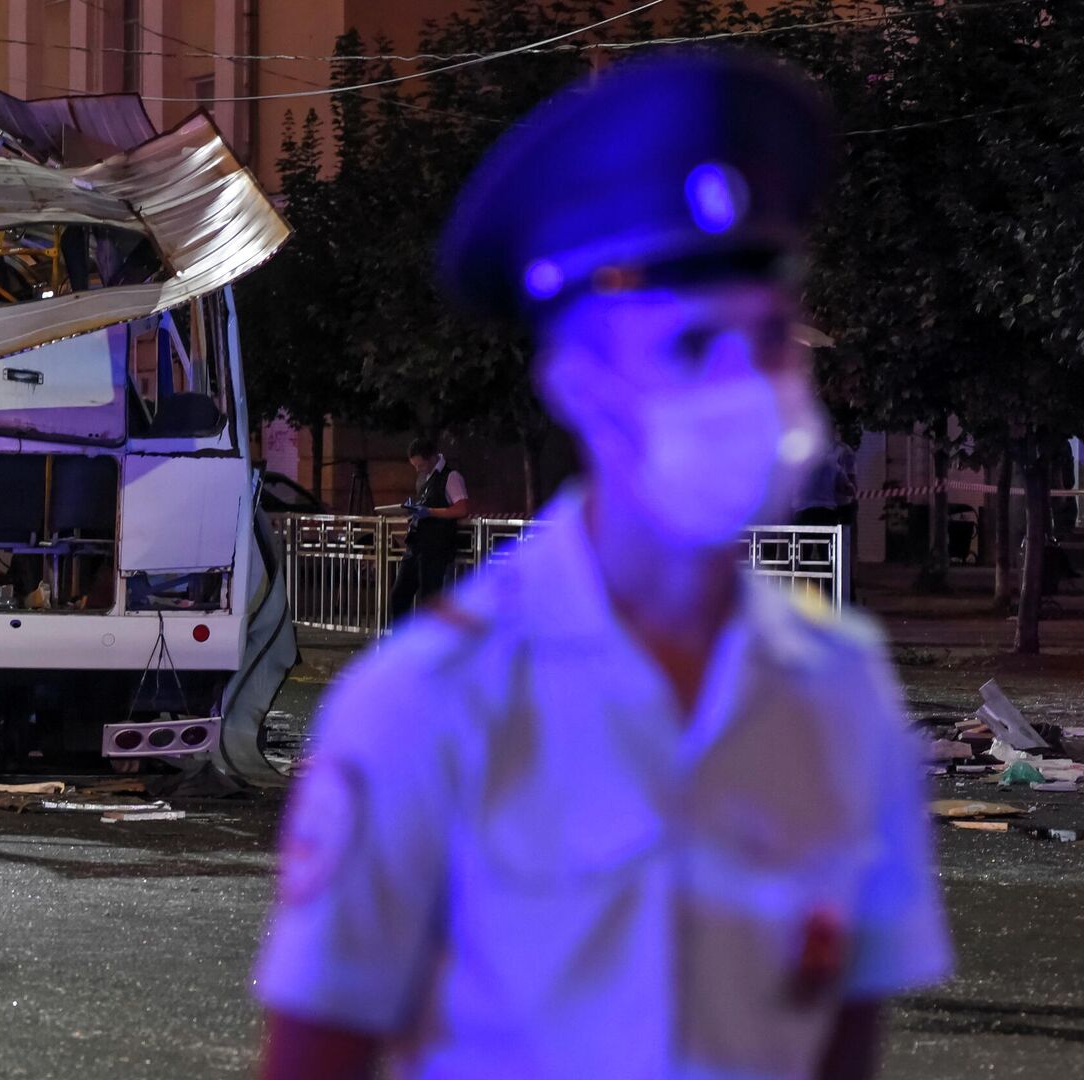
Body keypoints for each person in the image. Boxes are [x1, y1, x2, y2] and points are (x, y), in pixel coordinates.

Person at [255, 55, 950, 1080]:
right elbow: (321, 1056)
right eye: (687, 347)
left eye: (768, 341)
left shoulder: (840, 690)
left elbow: (843, 1043)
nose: (743, 388)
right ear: (576, 376)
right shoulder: (426, 705)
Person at [387, 437, 470, 620]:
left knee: (429, 599)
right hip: (416, 545)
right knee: (399, 595)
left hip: (435, 547)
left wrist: (430, 512)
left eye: (420, 465)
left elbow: (461, 508)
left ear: (432, 458)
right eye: (415, 466)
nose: (418, 470)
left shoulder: (450, 477)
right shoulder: (427, 479)